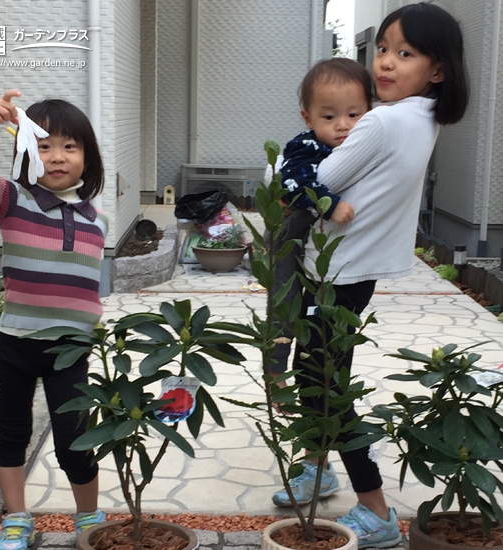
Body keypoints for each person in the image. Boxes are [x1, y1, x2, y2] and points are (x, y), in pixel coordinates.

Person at [270, 4, 468, 549]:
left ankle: (376, 512)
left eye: (405, 53)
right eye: (383, 48)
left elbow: (308, 183)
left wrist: (282, 170)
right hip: (354, 271)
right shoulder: (422, 118)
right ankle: (318, 468)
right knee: (320, 374)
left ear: (438, 69)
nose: (385, 63)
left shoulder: (382, 120)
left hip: (336, 272)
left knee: (327, 385)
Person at [0, 90, 109, 550]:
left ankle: (89, 517)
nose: (57, 156)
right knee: (12, 432)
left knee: (75, 439)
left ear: (87, 155)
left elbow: (85, 287)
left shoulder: (98, 221)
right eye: (43, 145)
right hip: (16, 344)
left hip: (71, 350)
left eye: (70, 146)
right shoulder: (14, 202)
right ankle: (17, 518)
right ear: (26, 151)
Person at [269, 58, 372, 375]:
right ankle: (275, 369)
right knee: (284, 298)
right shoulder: (305, 146)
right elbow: (292, 184)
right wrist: (329, 203)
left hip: (334, 257)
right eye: (329, 116)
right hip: (293, 236)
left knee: (318, 319)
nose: (343, 124)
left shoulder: (365, 144)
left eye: (354, 114)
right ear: (308, 117)